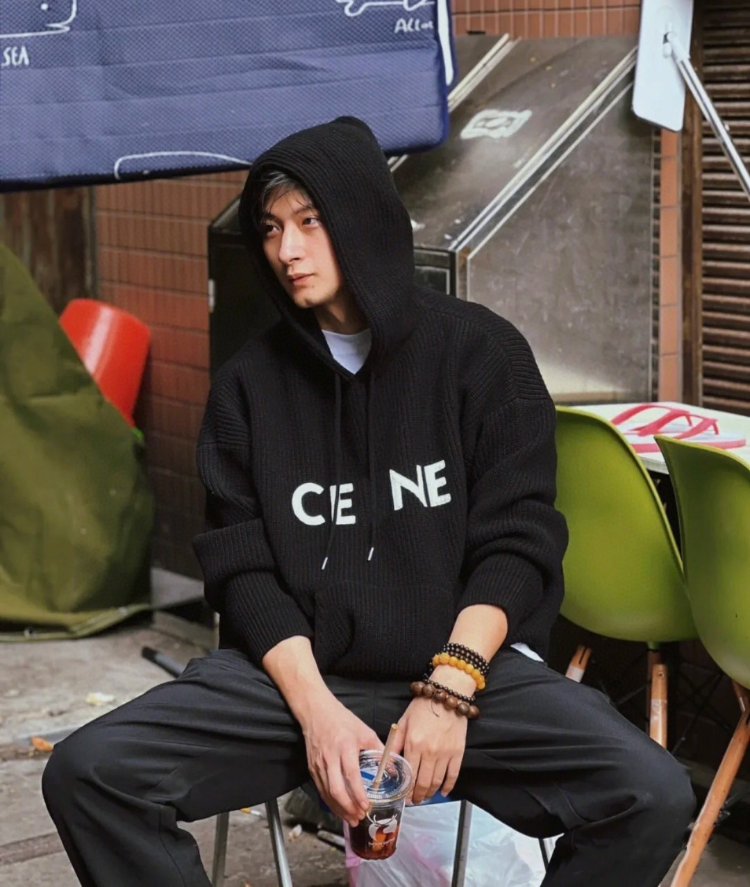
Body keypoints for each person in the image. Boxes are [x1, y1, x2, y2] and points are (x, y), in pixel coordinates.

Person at [42, 116, 694, 886]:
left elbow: (519, 542)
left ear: (362, 218)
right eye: (271, 228)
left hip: (465, 676)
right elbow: (244, 572)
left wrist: (449, 689)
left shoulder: (481, 354)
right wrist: (317, 714)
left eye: (309, 222)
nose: (287, 250)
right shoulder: (248, 387)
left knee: (651, 793)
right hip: (298, 682)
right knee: (90, 774)